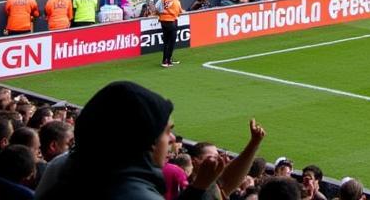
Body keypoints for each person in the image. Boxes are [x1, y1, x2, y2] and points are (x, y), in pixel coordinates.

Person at [37, 81, 228, 200]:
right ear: (145, 138)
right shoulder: (133, 192)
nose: (171, 139)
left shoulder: (65, 167)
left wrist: (198, 187)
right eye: (167, 131)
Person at [157, 0, 183, 67]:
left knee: (166, 41)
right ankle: (167, 61)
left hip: (163, 22)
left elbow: (156, 7)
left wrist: (162, 12)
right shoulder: (176, 2)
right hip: (171, 22)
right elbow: (179, 12)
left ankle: (166, 59)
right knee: (171, 42)